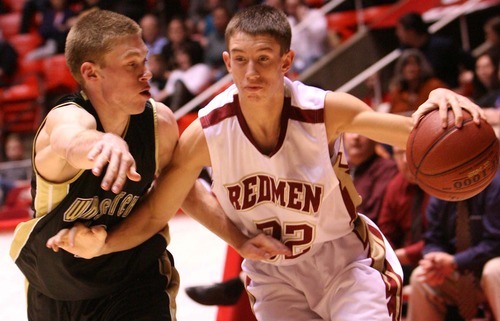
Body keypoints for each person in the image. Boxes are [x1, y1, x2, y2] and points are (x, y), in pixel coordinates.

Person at [46, 5, 484, 321]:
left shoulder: (324, 111)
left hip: (345, 261)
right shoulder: (205, 132)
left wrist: (441, 104)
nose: (251, 73)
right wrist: (103, 243)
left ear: (287, 62)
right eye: (240, 61)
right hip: (273, 275)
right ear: (226, 61)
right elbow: (158, 212)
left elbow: (415, 132)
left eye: (263, 60)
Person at [9, 9, 288, 321]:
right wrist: (104, 143)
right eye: (132, 64)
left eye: (144, 59)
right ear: (91, 73)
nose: (147, 72)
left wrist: (240, 240)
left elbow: (185, 191)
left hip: (136, 276)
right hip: (56, 287)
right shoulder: (66, 117)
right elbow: (70, 139)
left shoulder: (160, 123)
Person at [407, 167, 500, 321]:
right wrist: (433, 260)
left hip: (489, 266)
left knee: (494, 270)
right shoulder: (442, 188)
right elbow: (432, 238)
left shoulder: (495, 182)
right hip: (460, 272)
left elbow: (497, 244)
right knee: (421, 277)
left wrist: (455, 262)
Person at [377, 145, 429, 284]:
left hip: (438, 256)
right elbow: (385, 233)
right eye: (399, 153)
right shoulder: (395, 186)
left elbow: (443, 237)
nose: (406, 160)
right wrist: (390, 256)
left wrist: (406, 254)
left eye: (411, 152)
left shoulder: (442, 185)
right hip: (402, 262)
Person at [395, 11, 475, 91]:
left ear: (411, 32)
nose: (397, 34)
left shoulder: (443, 45)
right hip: (422, 96)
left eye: (400, 30)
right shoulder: (405, 51)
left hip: (448, 91)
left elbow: (469, 61)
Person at [343, 132, 398, 223]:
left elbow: (370, 218)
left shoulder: (388, 169)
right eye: (350, 130)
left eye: (362, 131)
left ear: (375, 138)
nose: (355, 136)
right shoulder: (341, 168)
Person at [388, 49, 447, 114]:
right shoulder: (397, 93)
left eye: (414, 64)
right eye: (406, 65)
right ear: (401, 69)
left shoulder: (434, 86)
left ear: (421, 67)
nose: (410, 69)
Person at [284, 0, 329, 75]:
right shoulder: (288, 23)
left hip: (319, 56)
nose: (294, 10)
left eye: (296, 6)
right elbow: (290, 47)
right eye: (291, 7)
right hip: (301, 65)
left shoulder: (315, 14)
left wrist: (304, 20)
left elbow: (320, 36)